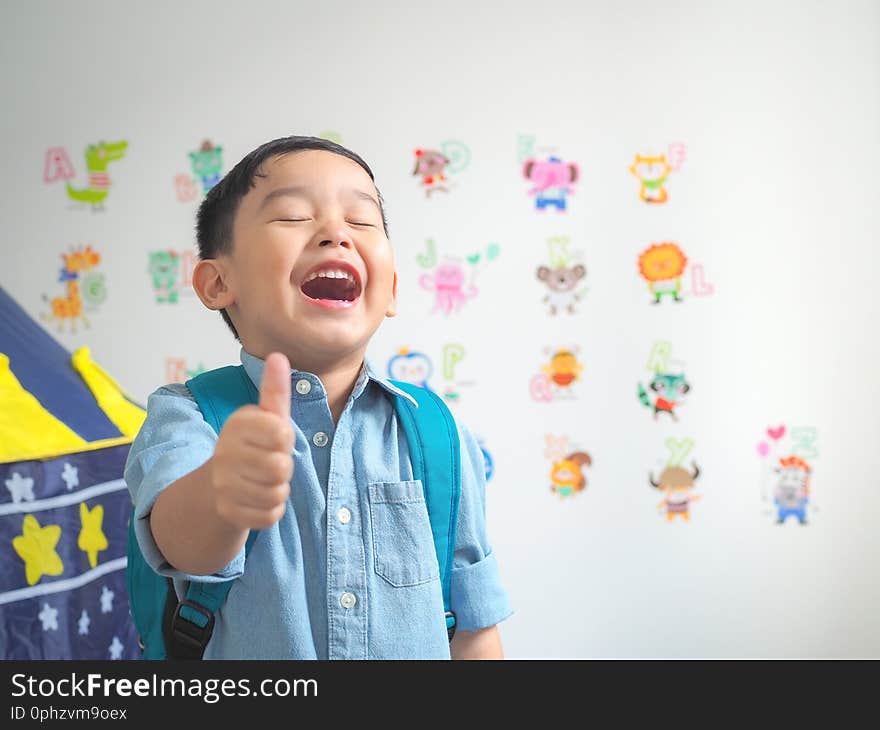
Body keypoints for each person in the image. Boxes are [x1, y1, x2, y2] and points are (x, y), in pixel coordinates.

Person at [124, 136, 513, 659]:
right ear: (218, 282)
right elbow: (182, 545)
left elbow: (473, 630)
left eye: (361, 220)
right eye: (291, 216)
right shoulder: (188, 415)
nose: (336, 234)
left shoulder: (437, 433)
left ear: (392, 289)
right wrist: (223, 491)